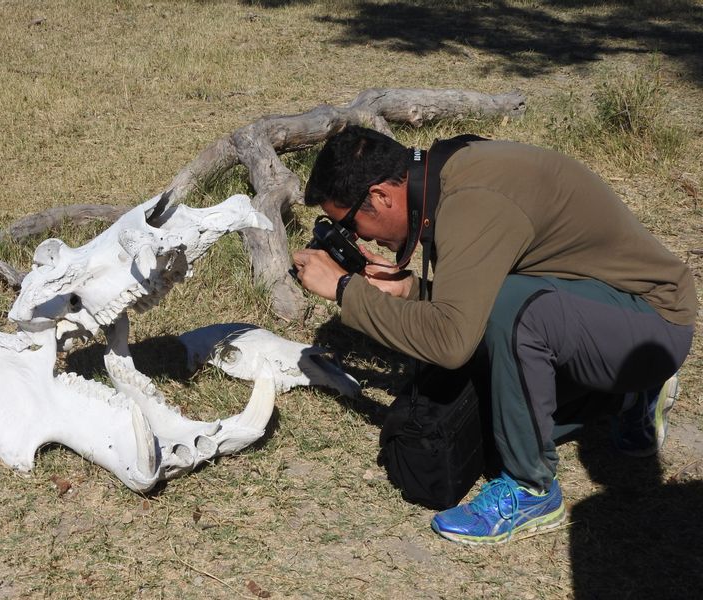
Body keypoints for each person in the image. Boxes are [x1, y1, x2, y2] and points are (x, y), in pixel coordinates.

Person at [292, 126, 696, 545]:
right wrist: (406, 290)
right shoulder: (448, 171)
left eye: (352, 225)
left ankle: (531, 488)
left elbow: (451, 342)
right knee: (493, 409)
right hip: (605, 314)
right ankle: (630, 392)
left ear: (379, 196)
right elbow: (482, 282)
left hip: (653, 324)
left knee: (510, 314)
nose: (361, 238)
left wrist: (345, 289)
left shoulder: (473, 200)